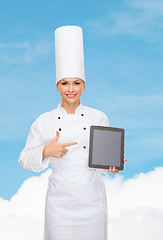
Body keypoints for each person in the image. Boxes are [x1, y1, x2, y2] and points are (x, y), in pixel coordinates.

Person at [18, 25, 126, 240]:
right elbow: (24, 159)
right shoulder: (44, 120)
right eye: (65, 83)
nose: (71, 89)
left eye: (76, 83)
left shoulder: (98, 117)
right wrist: (46, 151)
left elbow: (104, 159)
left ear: (84, 86)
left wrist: (113, 165)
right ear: (57, 86)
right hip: (59, 203)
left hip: (92, 201)